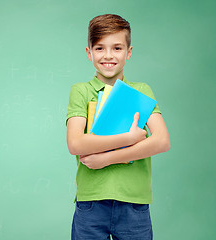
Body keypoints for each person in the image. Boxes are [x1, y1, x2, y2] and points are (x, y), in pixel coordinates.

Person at [66, 14, 170, 240]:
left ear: (129, 52)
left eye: (117, 48)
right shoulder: (81, 91)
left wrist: (105, 158)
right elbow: (75, 143)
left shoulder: (141, 90)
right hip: (91, 203)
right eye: (100, 48)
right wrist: (130, 138)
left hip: (134, 204)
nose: (108, 56)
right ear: (89, 53)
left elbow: (162, 141)